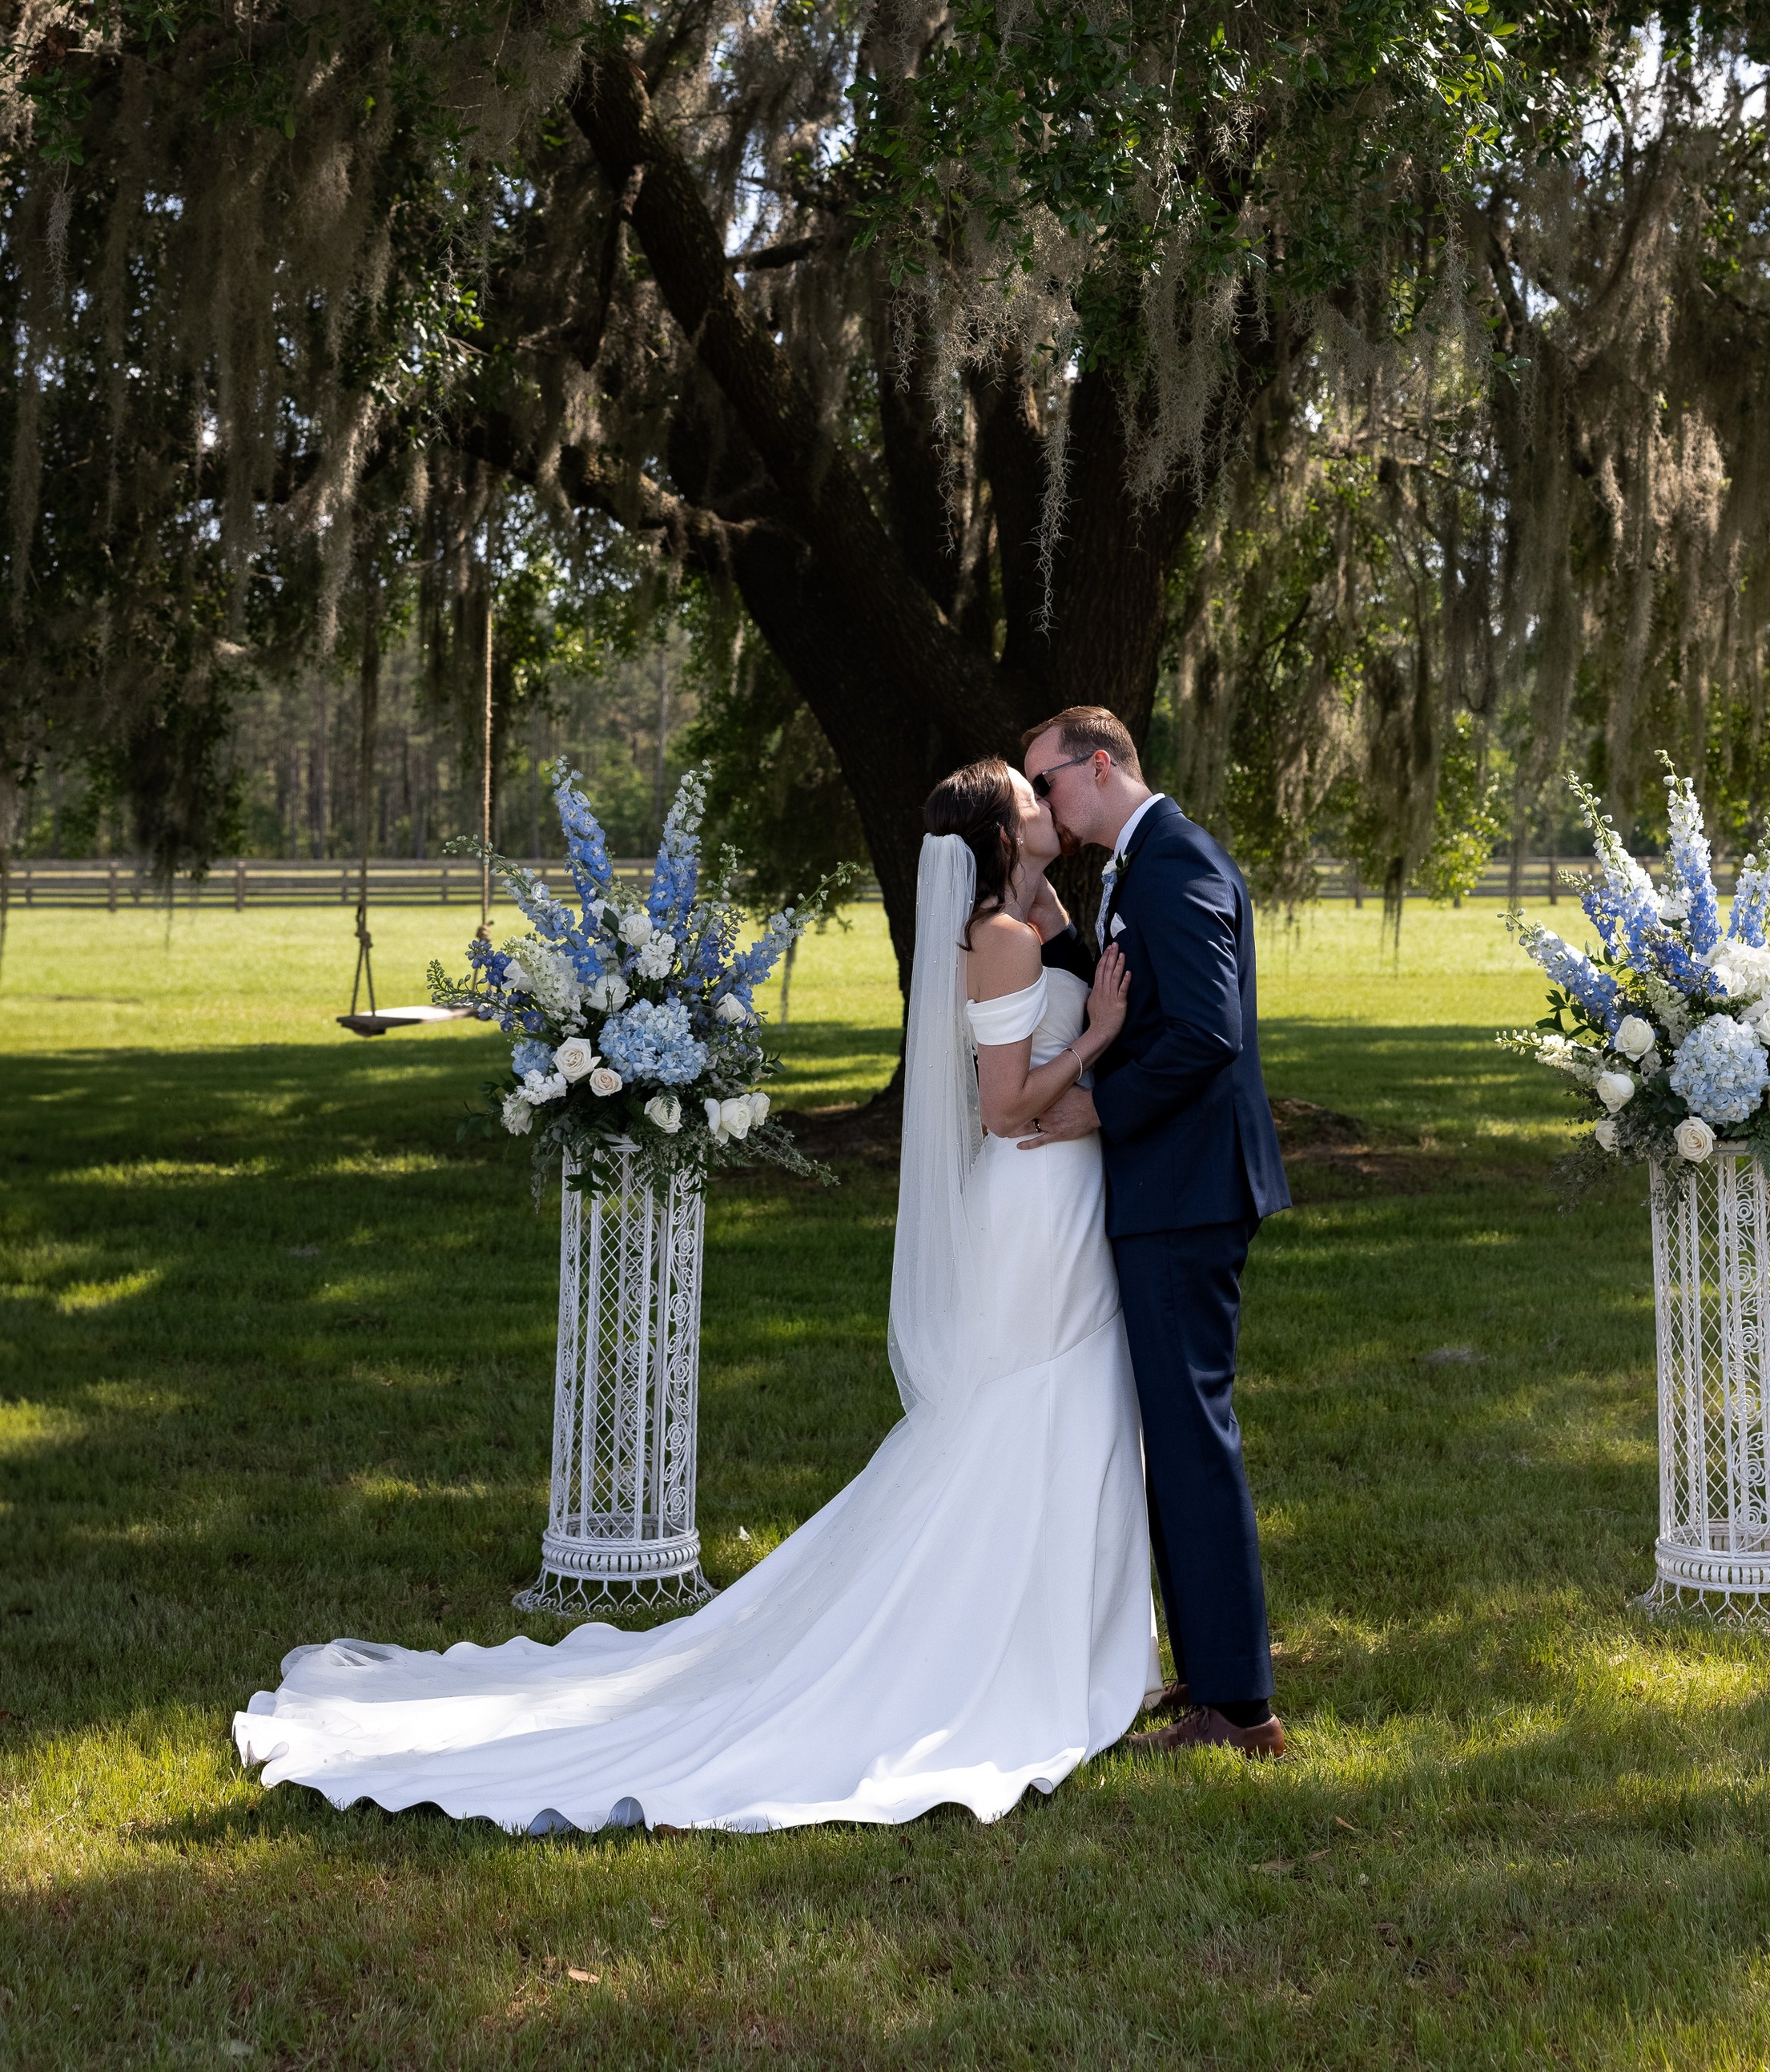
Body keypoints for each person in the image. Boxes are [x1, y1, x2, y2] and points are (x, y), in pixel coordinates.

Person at [232, 758, 1156, 1834]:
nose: (1048, 800)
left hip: (1068, 1194)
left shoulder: (1039, 909)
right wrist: (1094, 1041)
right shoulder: (998, 938)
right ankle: (1008, 1650)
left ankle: (1079, 1640)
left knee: (1076, 1405)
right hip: (1033, 1202)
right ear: (999, 835)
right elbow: (1001, 1110)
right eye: (1029, 796)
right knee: (1028, 1413)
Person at [1020, 706, 1292, 1758]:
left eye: (1047, 784)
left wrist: (1099, 1105)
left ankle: (1242, 1706)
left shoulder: (1174, 860)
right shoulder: (1141, 862)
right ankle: (1218, 1674)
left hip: (1187, 1189)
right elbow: (1143, 997)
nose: (1043, 805)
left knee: (1191, 1440)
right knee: (1176, 1441)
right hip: (1174, 1185)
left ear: (1099, 764)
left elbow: (1207, 1033)